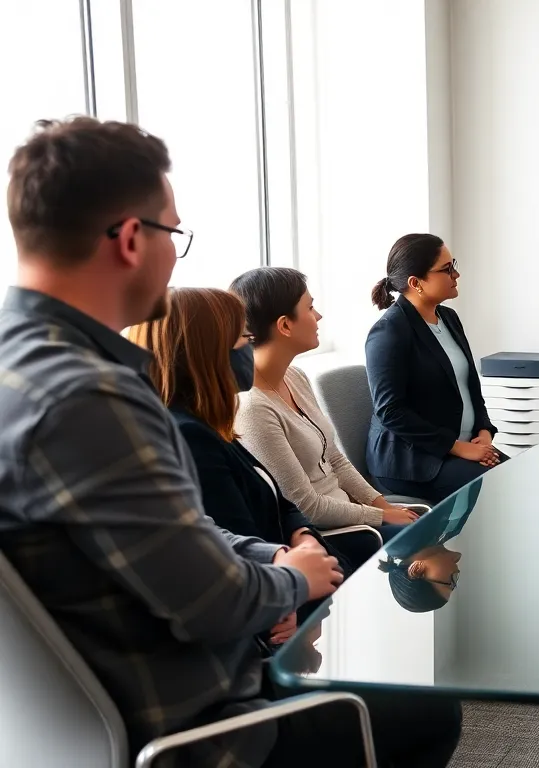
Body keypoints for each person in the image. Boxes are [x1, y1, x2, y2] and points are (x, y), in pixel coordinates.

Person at [0, 117, 457, 767]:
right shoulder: (88, 400)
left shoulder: (25, 371)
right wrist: (292, 579)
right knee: (429, 713)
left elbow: (175, 536)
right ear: (132, 239)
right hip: (205, 731)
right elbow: (214, 604)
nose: (174, 255)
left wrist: (269, 553)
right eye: (174, 233)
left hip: (100, 721)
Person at [127, 287, 382, 575]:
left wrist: (303, 538)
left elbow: (282, 504)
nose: (253, 349)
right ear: (209, 352)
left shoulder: (210, 424)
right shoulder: (191, 437)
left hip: (303, 562)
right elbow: (242, 544)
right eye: (246, 339)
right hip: (285, 585)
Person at [229, 267, 422, 540]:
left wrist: (383, 505)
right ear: (284, 325)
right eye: (310, 307)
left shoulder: (295, 376)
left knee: (428, 523)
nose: (318, 316)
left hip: (352, 513)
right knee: (424, 539)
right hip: (331, 535)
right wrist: (379, 516)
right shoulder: (254, 408)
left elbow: (335, 459)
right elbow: (306, 508)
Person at [366, 233, 505, 505]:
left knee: (524, 478)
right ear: (415, 283)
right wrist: (458, 448)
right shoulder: (389, 331)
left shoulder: (449, 318)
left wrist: (484, 432)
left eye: (453, 264)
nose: (457, 274)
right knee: (503, 491)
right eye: (446, 269)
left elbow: (469, 388)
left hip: (462, 449)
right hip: (412, 460)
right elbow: (390, 411)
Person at [379, 482, 481, 613]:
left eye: (450, 582)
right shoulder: (450, 532)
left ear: (416, 570)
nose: (456, 575)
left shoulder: (399, 537)